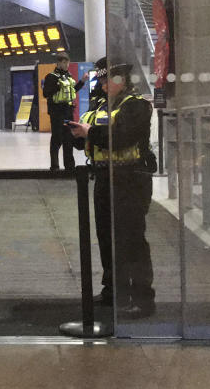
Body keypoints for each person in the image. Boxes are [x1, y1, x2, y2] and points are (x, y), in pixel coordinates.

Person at [68, 57, 156, 319]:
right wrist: (77, 134)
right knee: (106, 238)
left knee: (131, 240)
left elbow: (121, 138)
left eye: (108, 79)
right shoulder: (100, 105)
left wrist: (89, 133)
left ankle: (142, 298)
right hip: (104, 178)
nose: (104, 85)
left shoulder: (136, 106)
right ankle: (114, 291)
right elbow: (93, 138)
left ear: (121, 80)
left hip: (131, 179)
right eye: (102, 80)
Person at [41, 51, 86, 171]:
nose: (66, 65)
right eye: (64, 62)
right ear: (58, 63)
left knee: (68, 139)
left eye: (67, 62)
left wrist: (81, 82)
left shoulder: (69, 76)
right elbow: (46, 93)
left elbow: (72, 91)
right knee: (56, 139)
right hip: (57, 113)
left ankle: (69, 166)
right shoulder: (51, 77)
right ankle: (54, 166)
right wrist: (58, 86)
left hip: (68, 111)